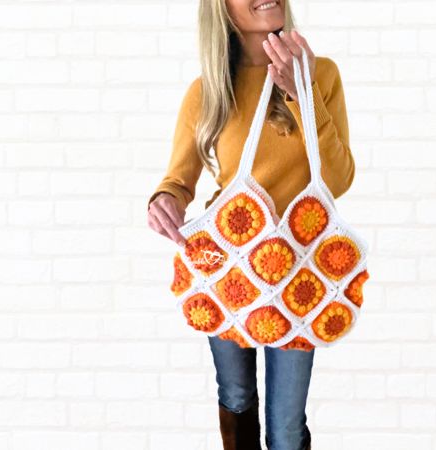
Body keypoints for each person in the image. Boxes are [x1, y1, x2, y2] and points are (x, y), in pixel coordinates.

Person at [147, 1, 355, 449]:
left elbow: (337, 179)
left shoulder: (321, 76)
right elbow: (178, 180)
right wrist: (165, 199)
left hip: (300, 275)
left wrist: (302, 93)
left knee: (285, 426)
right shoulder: (207, 92)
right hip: (228, 269)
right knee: (237, 397)